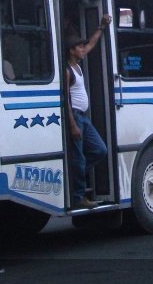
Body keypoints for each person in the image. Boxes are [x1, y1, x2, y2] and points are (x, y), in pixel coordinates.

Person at [65, 14, 111, 209]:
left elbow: (92, 44)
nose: (83, 48)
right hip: (75, 117)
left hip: (83, 118)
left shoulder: (78, 65)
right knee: (78, 158)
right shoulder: (67, 71)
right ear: (71, 50)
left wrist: (101, 27)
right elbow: (65, 100)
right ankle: (78, 196)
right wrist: (73, 125)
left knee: (100, 150)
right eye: (79, 46)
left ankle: (76, 175)